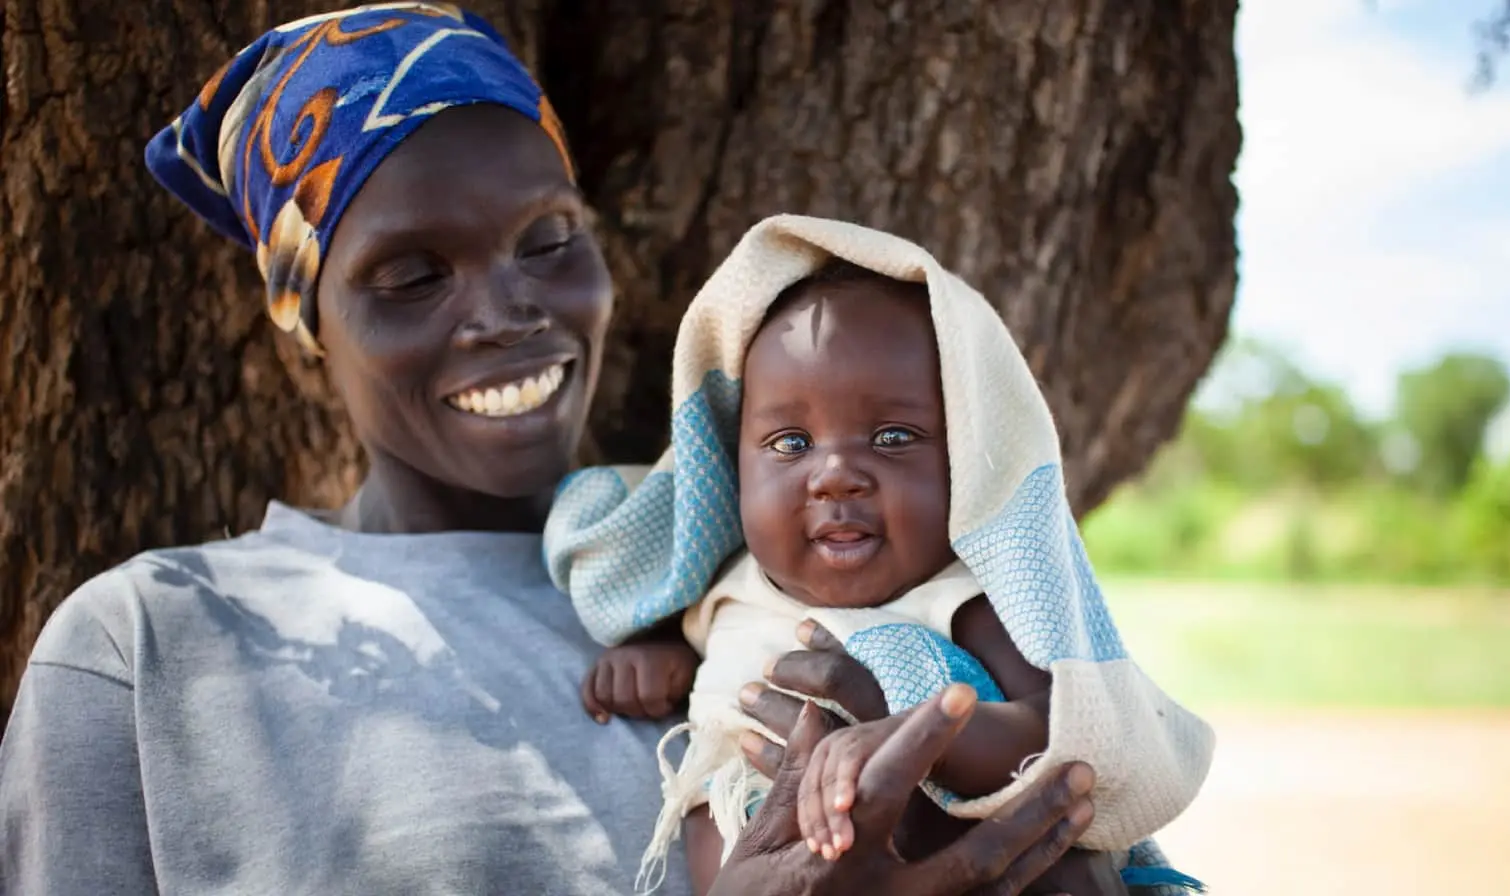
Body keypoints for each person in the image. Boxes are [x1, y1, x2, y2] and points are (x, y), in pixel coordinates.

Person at [0, 4, 1116, 895]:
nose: (506, 311)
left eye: (547, 242)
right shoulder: (153, 645)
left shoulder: (798, 561)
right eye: (412, 276)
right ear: (305, 337)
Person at [547, 217, 1215, 895]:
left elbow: (1058, 731)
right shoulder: (727, 587)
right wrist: (661, 657)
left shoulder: (963, 596)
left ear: (963, 460)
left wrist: (914, 736)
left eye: (893, 436)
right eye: (789, 442)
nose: (834, 474)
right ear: (729, 464)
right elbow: (724, 663)